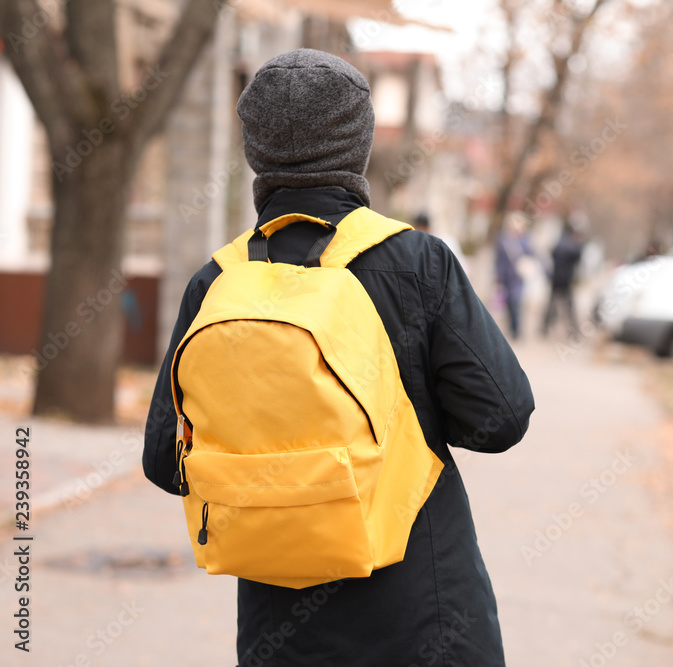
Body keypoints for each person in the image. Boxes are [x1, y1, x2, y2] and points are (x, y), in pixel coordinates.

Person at [142, 49, 534, 667]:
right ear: (361, 144)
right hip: (423, 615)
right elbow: (503, 419)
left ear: (255, 151)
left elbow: (166, 462)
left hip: (282, 634)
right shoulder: (416, 263)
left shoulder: (217, 280)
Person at [541, 220, 584, 337]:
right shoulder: (572, 244)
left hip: (556, 278)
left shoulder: (560, 242)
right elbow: (577, 258)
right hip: (565, 280)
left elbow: (552, 254)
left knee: (552, 305)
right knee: (568, 307)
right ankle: (572, 331)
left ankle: (544, 328)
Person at [494, 214, 533, 339]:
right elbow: (499, 259)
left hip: (518, 275)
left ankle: (516, 329)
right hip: (506, 275)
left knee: (516, 301)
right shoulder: (503, 239)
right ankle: (511, 327)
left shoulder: (524, 240)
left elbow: (530, 254)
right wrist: (498, 274)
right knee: (509, 302)